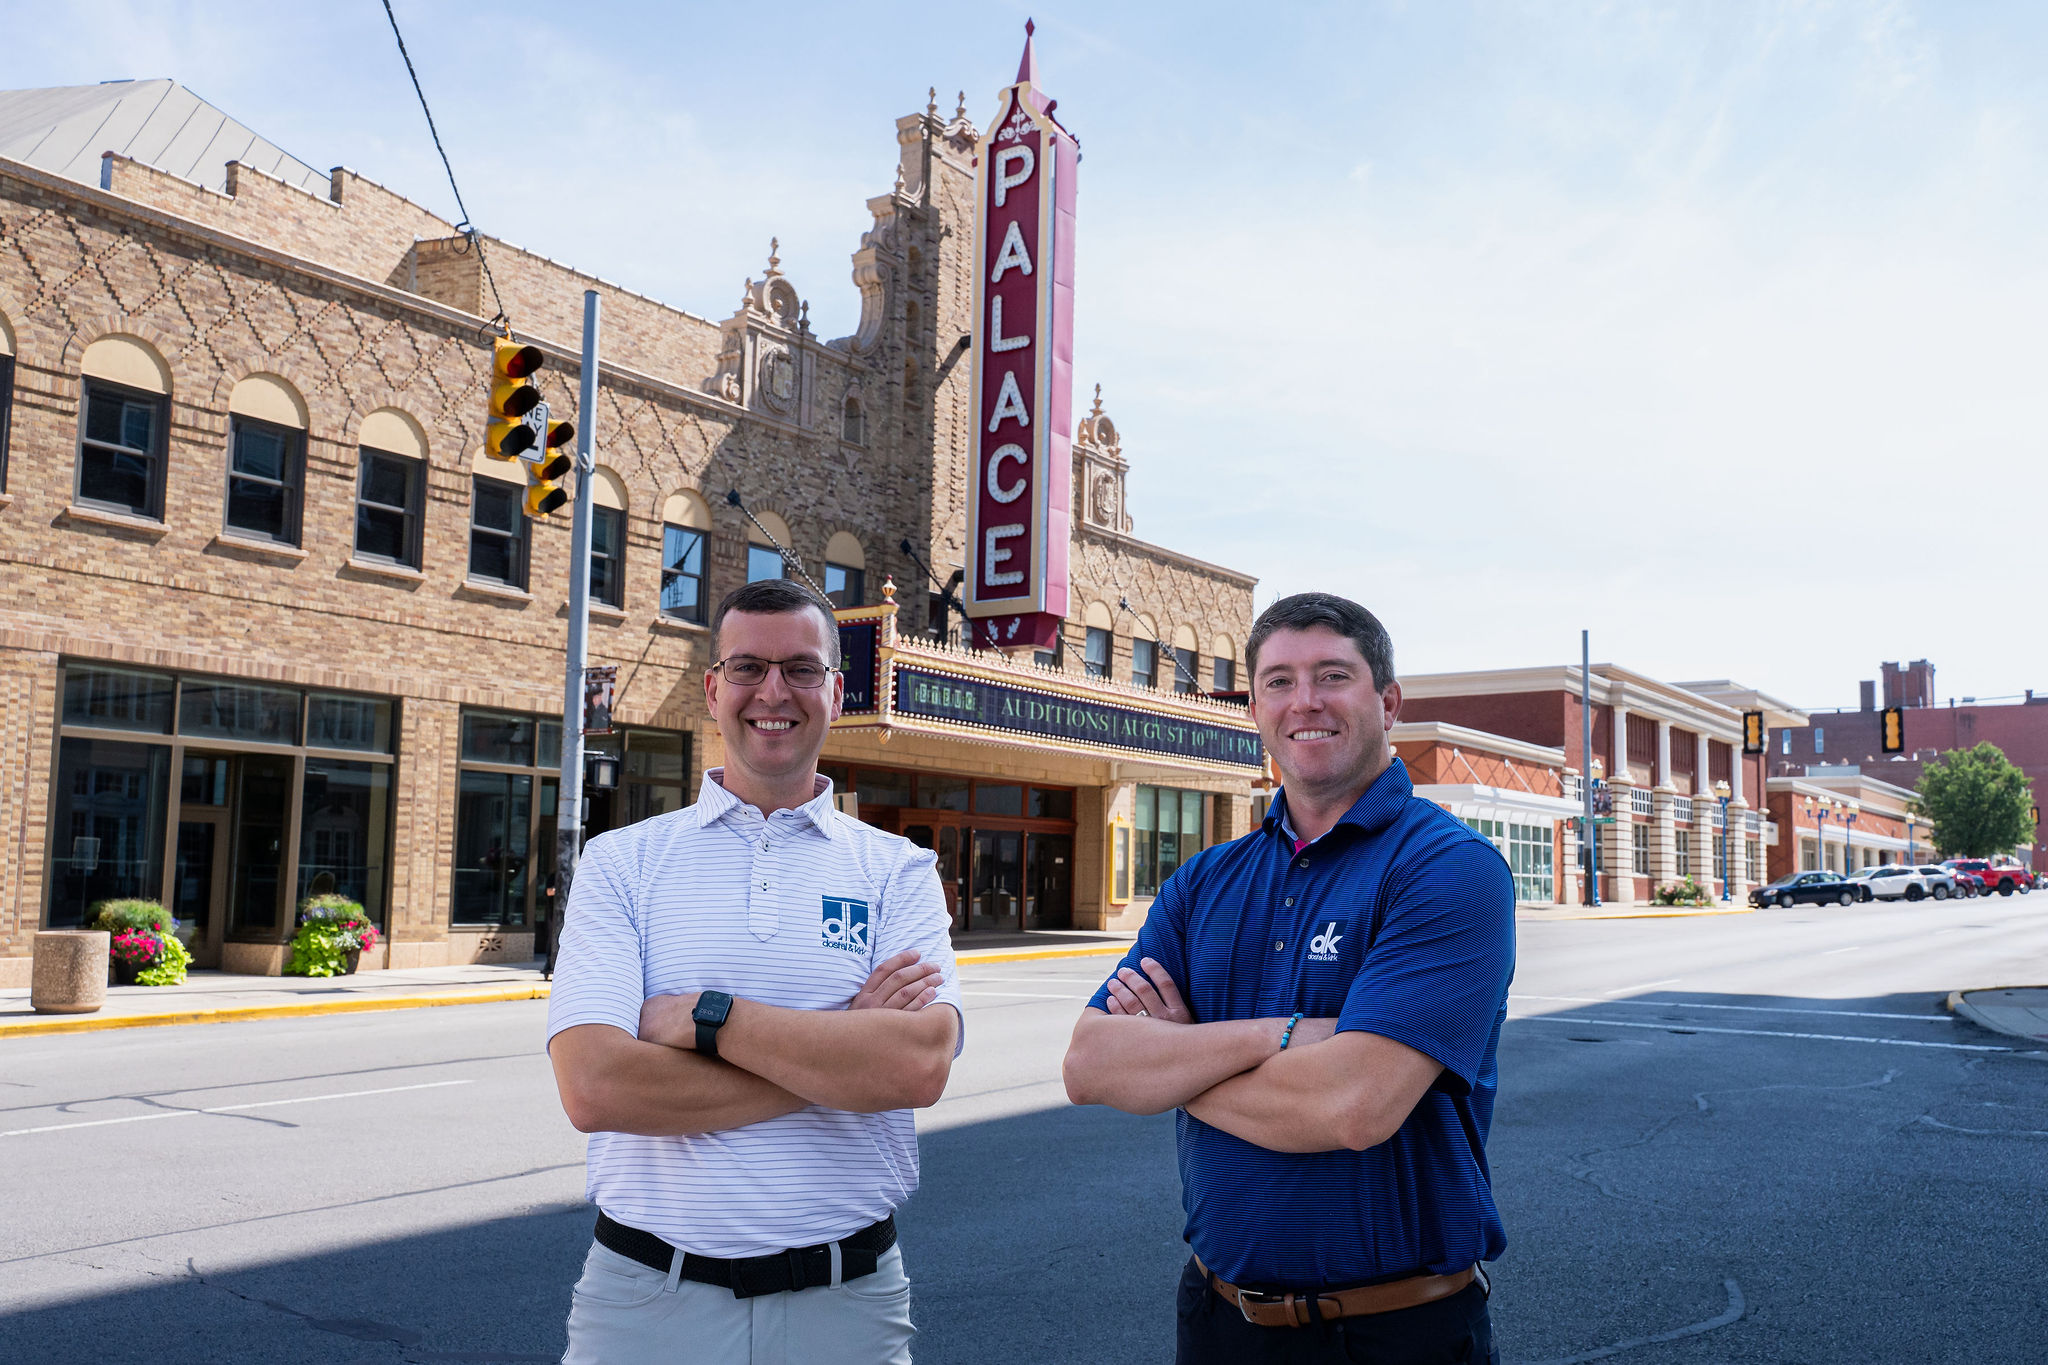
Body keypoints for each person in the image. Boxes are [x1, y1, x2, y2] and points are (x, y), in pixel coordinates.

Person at [1062, 591, 1515, 1365]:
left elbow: (1352, 1106)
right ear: (1255, 708)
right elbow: (1089, 1064)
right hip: (1217, 1319)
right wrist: (1285, 1037)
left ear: (1388, 701)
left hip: (1395, 1332)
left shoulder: (1448, 868)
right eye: (1278, 681)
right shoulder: (1204, 881)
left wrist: (1177, 1061)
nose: (1304, 701)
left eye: (1332, 675)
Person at [547, 577, 963, 1365]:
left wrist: (709, 1018)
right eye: (747, 667)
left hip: (848, 1308)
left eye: (802, 668)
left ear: (838, 692)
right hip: (644, 1305)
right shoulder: (621, 864)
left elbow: (915, 1064)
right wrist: (843, 1051)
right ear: (712, 689)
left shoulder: (899, 871)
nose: (774, 690)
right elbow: (597, 1086)